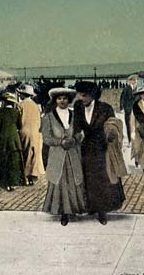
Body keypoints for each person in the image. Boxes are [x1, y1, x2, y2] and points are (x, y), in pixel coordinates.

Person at [73, 81, 125, 225]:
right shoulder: (78, 107)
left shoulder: (105, 108)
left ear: (93, 95)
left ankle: (102, 211)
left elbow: (113, 125)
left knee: (102, 180)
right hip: (86, 148)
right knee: (88, 179)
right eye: (80, 95)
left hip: (102, 148)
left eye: (85, 96)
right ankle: (91, 207)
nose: (82, 98)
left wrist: (111, 135)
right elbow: (76, 127)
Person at [42, 87, 86, 226]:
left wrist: (74, 139)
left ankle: (73, 209)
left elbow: (80, 133)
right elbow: (46, 138)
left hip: (73, 154)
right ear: (55, 100)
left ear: (69, 100)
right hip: (57, 155)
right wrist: (60, 142)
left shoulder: (75, 115)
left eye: (65, 98)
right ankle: (63, 213)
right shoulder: (48, 117)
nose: (62, 101)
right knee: (60, 182)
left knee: (74, 180)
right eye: (59, 98)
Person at [0, 92, 23, 192]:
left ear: (4, 102)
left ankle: (4, 183)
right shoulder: (16, 112)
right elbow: (19, 126)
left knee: (3, 161)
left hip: (2, 140)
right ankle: (12, 183)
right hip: (14, 140)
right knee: (13, 162)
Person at [17, 84, 45, 185]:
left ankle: (24, 178)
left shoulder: (19, 106)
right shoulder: (36, 106)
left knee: (23, 155)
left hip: (23, 132)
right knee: (33, 154)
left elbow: (17, 120)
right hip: (35, 133)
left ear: (22, 95)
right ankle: (32, 176)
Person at [120, 75, 138, 144]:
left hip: (135, 110)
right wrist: (122, 108)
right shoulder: (126, 89)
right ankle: (130, 141)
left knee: (134, 125)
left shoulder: (136, 89)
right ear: (130, 81)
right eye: (134, 80)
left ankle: (134, 140)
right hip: (128, 110)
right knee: (128, 125)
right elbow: (122, 99)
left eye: (136, 81)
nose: (135, 82)